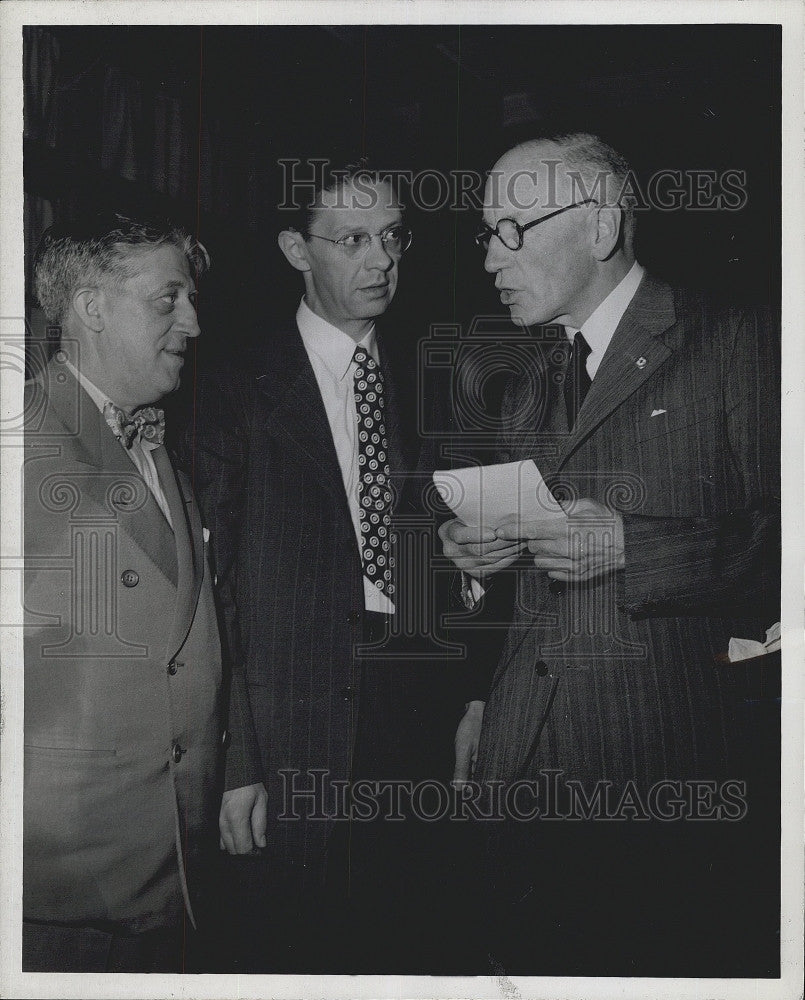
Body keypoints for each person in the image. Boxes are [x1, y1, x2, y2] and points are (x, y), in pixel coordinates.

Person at [441, 132, 781, 976]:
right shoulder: (521, 374)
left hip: (665, 777)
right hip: (520, 767)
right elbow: (526, 574)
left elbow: (786, 545)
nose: (489, 256)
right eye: (485, 232)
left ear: (599, 228)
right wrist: (474, 563)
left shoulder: (739, 339)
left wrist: (631, 544)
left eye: (511, 230)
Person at [184, 159, 482, 972]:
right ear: (294, 247)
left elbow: (464, 557)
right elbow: (213, 588)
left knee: (411, 946)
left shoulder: (437, 377)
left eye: (391, 236)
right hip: (288, 727)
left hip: (415, 713)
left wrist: (472, 698)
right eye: (351, 239)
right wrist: (239, 759)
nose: (380, 260)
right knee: (294, 954)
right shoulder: (230, 386)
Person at [23, 213, 267, 973]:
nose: (193, 322)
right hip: (55, 886)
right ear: (92, 308)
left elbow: (200, 624)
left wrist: (235, 766)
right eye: (168, 300)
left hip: (165, 861)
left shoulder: (156, 446)